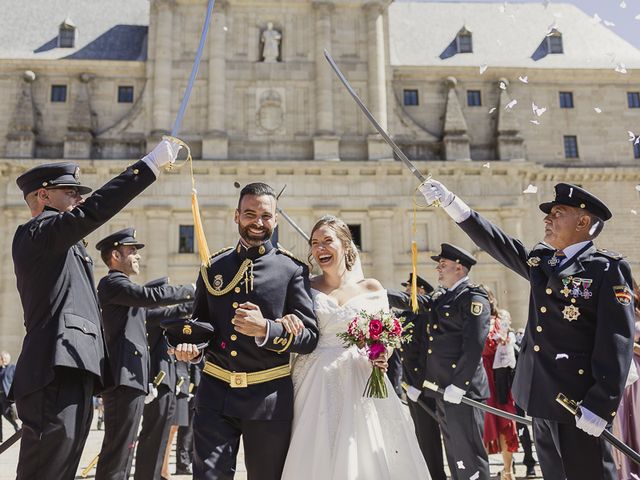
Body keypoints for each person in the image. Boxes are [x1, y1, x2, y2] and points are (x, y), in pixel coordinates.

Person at [420, 180, 636, 480]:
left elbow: (616, 341)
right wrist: (454, 205)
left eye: (558, 212)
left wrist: (601, 405)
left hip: (579, 403)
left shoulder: (606, 269)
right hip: (541, 398)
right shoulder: (542, 261)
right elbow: (499, 244)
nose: (547, 219)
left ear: (583, 221)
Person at [11, 139, 180, 479]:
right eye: (70, 192)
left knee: (64, 465)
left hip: (75, 368)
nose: (79, 198)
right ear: (44, 196)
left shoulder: (66, 243)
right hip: (52, 369)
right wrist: (148, 165)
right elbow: (95, 210)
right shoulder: (39, 231)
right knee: (47, 467)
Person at [172, 182, 319, 480]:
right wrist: (190, 347)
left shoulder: (292, 270)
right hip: (215, 394)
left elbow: (309, 338)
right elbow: (200, 326)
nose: (258, 222)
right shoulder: (213, 267)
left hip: (268, 399)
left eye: (266, 216)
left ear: (275, 220)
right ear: (236, 216)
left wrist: (267, 328)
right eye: (250, 214)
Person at [280, 215, 430, 479]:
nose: (320, 248)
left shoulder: (371, 287)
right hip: (313, 376)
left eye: (328, 241)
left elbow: (387, 336)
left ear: (346, 245)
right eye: (315, 243)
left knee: (362, 451)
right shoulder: (304, 286)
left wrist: (382, 353)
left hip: (360, 378)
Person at [94, 228, 195, 480]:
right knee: (118, 451)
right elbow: (149, 297)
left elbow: (159, 314)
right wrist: (193, 288)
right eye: (132, 252)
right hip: (122, 379)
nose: (138, 257)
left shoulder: (126, 296)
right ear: (115, 256)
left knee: (126, 449)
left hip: (132, 380)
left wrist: (198, 302)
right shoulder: (113, 284)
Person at [389, 243, 491, 480]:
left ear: (459, 267)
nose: (438, 270)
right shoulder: (443, 296)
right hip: (443, 390)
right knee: (456, 457)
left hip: (461, 391)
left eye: (443, 265)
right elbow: (415, 302)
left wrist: (460, 384)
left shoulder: (472, 297)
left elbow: (474, 344)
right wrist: (377, 293)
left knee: (470, 457)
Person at [388, 274, 448, 480]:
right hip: (410, 384)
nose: (405, 293)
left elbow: (425, 354)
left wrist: (419, 385)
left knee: (429, 436)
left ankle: (436, 475)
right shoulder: (406, 316)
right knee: (420, 435)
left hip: (423, 386)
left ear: (420, 292)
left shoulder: (424, 316)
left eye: (409, 289)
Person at [134, 278, 192, 480]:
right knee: (153, 436)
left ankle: (158, 473)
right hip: (157, 384)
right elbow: (177, 313)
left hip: (167, 382)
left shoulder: (158, 317)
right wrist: (201, 294)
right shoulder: (150, 313)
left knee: (162, 436)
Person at [481, 289, 519, 480]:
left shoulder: (501, 319)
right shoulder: (472, 320)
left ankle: (507, 470)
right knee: (483, 423)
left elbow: (502, 344)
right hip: (481, 378)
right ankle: (482, 470)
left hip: (500, 378)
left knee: (506, 423)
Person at [612, 280, 640, 479]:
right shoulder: (620, 312)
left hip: (638, 376)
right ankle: (625, 471)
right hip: (624, 373)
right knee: (622, 421)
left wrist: (631, 346)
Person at [175, 360, 202, 475]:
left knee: (196, 426)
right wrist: (193, 382)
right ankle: (183, 462)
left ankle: (189, 460)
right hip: (192, 382)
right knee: (188, 427)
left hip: (202, 381)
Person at [0, 351, 19, 442]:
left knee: (6, 414)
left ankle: (16, 426)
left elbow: (16, 381)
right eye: (2, 358)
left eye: (5, 358)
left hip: (6, 396)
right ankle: (0, 437)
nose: (3, 359)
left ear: (8, 359)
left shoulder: (12, 368)